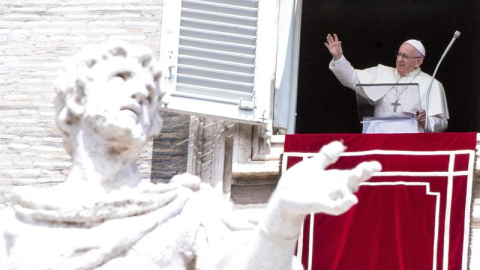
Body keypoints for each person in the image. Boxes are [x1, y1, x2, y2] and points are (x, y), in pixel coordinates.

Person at [0, 40, 381, 270]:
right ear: (77, 99)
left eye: (150, 96)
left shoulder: (191, 213)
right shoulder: (14, 227)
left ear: (152, 127)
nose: (139, 94)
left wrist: (279, 221)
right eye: (120, 79)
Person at [324, 33, 449, 133]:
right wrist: (339, 58)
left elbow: (442, 123)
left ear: (418, 62)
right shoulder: (382, 72)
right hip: (378, 136)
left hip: (409, 141)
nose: (399, 59)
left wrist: (425, 120)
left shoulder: (431, 84)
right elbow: (352, 78)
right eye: (398, 54)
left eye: (405, 56)